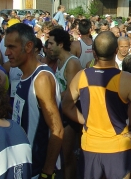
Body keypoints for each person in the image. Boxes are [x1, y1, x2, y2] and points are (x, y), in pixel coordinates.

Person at [62, 31, 131, 179]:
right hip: (118, 148)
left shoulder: (81, 76)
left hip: (90, 146)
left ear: (93, 52)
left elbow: (66, 106)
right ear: (116, 51)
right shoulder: (127, 79)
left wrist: (85, 121)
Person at [5, 23, 63, 179]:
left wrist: (47, 172)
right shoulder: (24, 76)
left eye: (12, 47)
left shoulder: (41, 79)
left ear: (28, 46)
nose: (6, 52)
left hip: (37, 168)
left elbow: (57, 130)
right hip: (22, 164)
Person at [48, 28, 83, 179]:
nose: (47, 46)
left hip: (72, 110)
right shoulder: (59, 60)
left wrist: (48, 96)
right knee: (64, 154)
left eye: (50, 43)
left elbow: (71, 93)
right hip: (62, 109)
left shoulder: (71, 63)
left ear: (60, 44)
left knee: (67, 155)